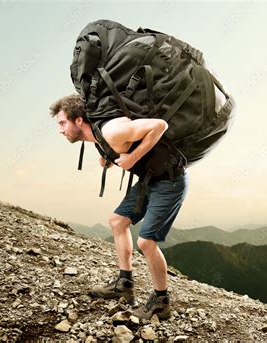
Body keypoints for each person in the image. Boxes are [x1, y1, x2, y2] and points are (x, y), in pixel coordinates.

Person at [49, 94, 189, 320]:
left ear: (78, 121)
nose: (60, 129)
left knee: (146, 242)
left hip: (170, 181)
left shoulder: (110, 131)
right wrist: (108, 158)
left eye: (62, 122)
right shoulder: (97, 136)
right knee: (117, 221)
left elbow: (160, 125)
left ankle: (161, 303)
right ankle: (124, 285)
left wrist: (133, 157)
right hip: (149, 180)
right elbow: (120, 148)